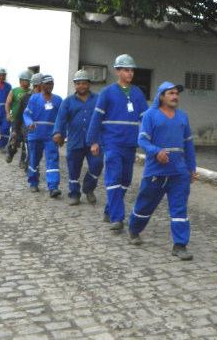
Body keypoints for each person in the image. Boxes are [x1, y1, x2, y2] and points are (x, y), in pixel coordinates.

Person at [128, 81, 197, 260]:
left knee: (179, 210)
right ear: (161, 96)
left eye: (177, 93)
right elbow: (142, 141)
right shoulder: (150, 115)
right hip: (155, 173)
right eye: (171, 93)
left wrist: (192, 168)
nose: (175, 96)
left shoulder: (183, 116)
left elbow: (189, 144)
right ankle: (134, 229)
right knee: (144, 205)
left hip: (179, 173)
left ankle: (180, 245)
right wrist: (156, 151)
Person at [86, 54, 148, 232]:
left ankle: (110, 210)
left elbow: (146, 118)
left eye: (132, 70)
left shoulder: (137, 93)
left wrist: (151, 138)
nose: (130, 73)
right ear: (117, 71)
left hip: (130, 144)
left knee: (125, 180)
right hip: (111, 143)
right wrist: (94, 141)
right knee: (113, 178)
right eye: (126, 70)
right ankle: (117, 218)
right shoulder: (107, 93)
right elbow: (96, 118)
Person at [53, 70, 102, 206]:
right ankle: (74, 194)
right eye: (78, 83)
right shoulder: (67, 102)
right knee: (74, 169)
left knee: (97, 165)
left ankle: (88, 188)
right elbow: (61, 119)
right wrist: (58, 133)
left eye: (84, 83)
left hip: (94, 141)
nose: (82, 86)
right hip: (75, 140)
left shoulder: (98, 99)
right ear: (75, 85)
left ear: (89, 84)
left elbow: (104, 117)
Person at [24, 74, 62, 197]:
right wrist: (29, 123)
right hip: (35, 135)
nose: (49, 86)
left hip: (51, 136)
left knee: (52, 160)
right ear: (41, 85)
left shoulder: (58, 100)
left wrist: (61, 134)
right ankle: (33, 182)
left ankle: (53, 186)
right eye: (46, 84)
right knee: (34, 159)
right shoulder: (34, 99)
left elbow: (61, 119)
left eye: (51, 84)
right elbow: (26, 115)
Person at [13, 73, 42, 170]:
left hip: (41, 128)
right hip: (27, 128)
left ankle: (30, 164)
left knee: (36, 149)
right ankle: (29, 166)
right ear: (37, 85)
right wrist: (15, 129)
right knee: (29, 147)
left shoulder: (47, 98)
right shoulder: (26, 97)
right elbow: (19, 114)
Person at [5, 70, 33, 164]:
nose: (29, 83)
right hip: (16, 118)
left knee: (26, 140)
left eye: (30, 81)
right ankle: (10, 153)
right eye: (27, 80)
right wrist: (9, 114)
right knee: (14, 138)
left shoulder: (31, 93)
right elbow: (8, 103)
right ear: (21, 80)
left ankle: (23, 161)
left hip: (27, 120)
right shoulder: (14, 91)